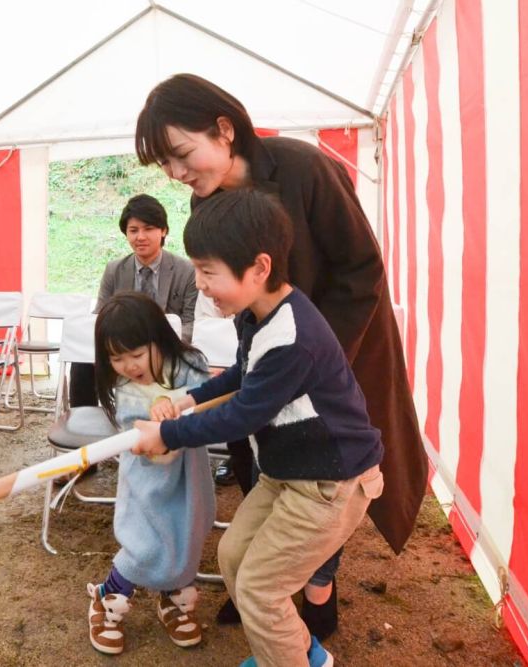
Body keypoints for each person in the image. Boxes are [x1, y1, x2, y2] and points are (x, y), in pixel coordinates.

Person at [135, 73, 427, 636]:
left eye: (180, 155)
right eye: (164, 165)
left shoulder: (304, 169)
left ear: (223, 129)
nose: (176, 174)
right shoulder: (205, 209)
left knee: (323, 473)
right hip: (265, 358)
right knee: (263, 466)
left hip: (341, 349)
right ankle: (269, 579)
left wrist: (311, 361)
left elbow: (361, 269)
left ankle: (317, 590)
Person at [132, 189, 384, 667]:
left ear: (259, 267)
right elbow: (242, 375)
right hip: (289, 471)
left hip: (328, 483)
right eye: (197, 270)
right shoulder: (257, 315)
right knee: (233, 558)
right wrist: (186, 399)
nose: (200, 284)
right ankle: (300, 654)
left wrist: (165, 436)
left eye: (209, 272)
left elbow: (244, 412)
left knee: (260, 589)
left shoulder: (293, 337)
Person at [85, 292, 213, 656]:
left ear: (159, 338)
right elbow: (142, 437)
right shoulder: (123, 389)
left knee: (185, 535)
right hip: (147, 477)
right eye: (116, 358)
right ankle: (107, 599)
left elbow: (204, 398)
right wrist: (159, 421)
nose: (128, 365)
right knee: (144, 545)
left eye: (136, 354)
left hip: (188, 477)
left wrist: (181, 404)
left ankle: (173, 600)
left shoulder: (189, 363)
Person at [69, 193, 199, 407]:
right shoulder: (114, 270)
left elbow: (191, 322)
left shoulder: (186, 271)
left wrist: (158, 348)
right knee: (82, 363)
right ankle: (84, 421)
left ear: (163, 230)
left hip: (167, 352)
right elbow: (100, 315)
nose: (140, 237)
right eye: (133, 230)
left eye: (148, 229)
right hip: (123, 351)